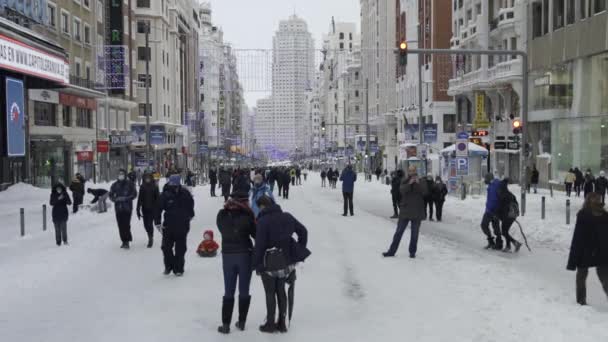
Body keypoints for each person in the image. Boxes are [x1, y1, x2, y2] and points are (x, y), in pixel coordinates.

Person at [253, 196, 310, 333]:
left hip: (270, 263)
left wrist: (257, 265)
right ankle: (282, 323)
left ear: (262, 207)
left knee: (269, 293)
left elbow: (259, 245)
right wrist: (298, 249)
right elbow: (303, 231)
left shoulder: (263, 221)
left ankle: (270, 324)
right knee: (281, 291)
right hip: (286, 262)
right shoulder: (287, 216)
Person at [216, 191, 256, 334]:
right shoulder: (247, 216)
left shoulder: (221, 215)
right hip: (245, 254)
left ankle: (225, 324)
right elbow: (256, 234)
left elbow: (222, 229)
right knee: (244, 289)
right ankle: (242, 321)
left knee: (229, 290)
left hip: (227, 256)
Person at [567, 192, 608, 305]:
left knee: (584, 276)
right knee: (601, 276)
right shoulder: (601, 215)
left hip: (589, 251)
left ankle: (581, 301)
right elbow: (578, 236)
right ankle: (581, 300)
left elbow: (577, 237)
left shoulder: (587, 214)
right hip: (597, 251)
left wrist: (572, 261)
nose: (597, 201)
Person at [383, 166, 428, 258]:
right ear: (408, 172)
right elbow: (402, 191)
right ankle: (392, 251)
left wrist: (418, 183)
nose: (412, 173)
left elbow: (425, 192)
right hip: (405, 210)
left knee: (414, 234)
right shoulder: (404, 180)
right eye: (411, 171)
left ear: (416, 171)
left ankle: (412, 252)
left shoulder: (421, 181)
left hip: (417, 211)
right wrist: (410, 184)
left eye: (414, 171)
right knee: (399, 232)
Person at [155, 175, 195, 276]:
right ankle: (168, 266)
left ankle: (179, 269)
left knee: (180, 248)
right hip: (169, 226)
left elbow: (191, 204)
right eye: (172, 184)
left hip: (183, 225)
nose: (174, 186)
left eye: (176, 184)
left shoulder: (185, 193)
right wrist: (157, 222)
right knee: (166, 248)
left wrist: (190, 215)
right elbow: (158, 208)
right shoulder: (165, 195)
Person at [109, 169, 138, 249]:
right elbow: (110, 195)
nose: (120, 175)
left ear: (125, 175)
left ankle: (127, 241)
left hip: (127, 207)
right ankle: (123, 240)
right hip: (118, 208)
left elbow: (134, 194)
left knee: (126, 224)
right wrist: (115, 199)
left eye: (122, 174)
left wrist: (126, 198)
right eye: (119, 174)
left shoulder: (130, 184)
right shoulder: (114, 185)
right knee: (120, 225)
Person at [496, 178, 522, 253]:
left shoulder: (503, 196)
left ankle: (514, 244)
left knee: (504, 232)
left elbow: (502, 208)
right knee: (505, 231)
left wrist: (497, 214)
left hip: (507, 215)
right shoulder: (510, 194)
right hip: (513, 215)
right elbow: (516, 204)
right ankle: (510, 245)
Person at [136, 173, 160, 248]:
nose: (147, 179)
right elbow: (140, 198)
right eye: (146, 178)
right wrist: (138, 208)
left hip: (152, 209)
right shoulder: (142, 187)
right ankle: (149, 234)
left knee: (149, 224)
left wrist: (158, 209)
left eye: (149, 178)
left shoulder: (155, 187)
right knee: (146, 225)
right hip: (144, 208)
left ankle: (150, 238)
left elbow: (158, 199)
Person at [481, 174, 503, 250]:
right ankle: (499, 244)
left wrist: (491, 210)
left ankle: (491, 242)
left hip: (491, 211)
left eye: (485, 179)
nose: (484, 180)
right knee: (496, 227)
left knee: (484, 225)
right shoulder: (495, 185)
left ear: (489, 179)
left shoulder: (493, 186)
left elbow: (493, 200)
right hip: (496, 210)